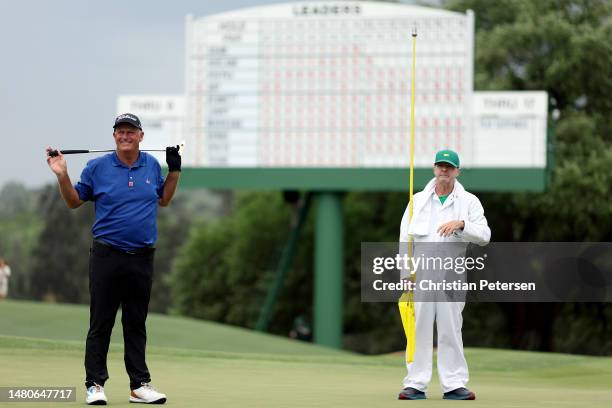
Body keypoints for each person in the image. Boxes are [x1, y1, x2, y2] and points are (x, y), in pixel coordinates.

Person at [46, 113, 181, 405]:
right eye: (120, 131)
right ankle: (95, 385)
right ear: (114, 136)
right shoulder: (97, 167)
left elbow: (164, 199)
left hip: (142, 257)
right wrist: (62, 174)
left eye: (130, 131)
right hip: (107, 255)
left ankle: (139, 385)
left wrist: (174, 172)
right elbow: (73, 201)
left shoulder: (152, 166)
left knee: (136, 323)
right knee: (101, 322)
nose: (125, 135)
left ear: (141, 136)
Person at [398, 149, 490, 401]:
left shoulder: (469, 201)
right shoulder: (416, 200)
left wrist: (462, 225)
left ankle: (454, 384)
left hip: (452, 272)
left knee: (451, 328)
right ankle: (415, 384)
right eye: (440, 165)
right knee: (420, 328)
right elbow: (405, 239)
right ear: (434, 168)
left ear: (457, 171)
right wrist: (406, 273)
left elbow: (484, 235)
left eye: (449, 167)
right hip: (422, 273)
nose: (444, 170)